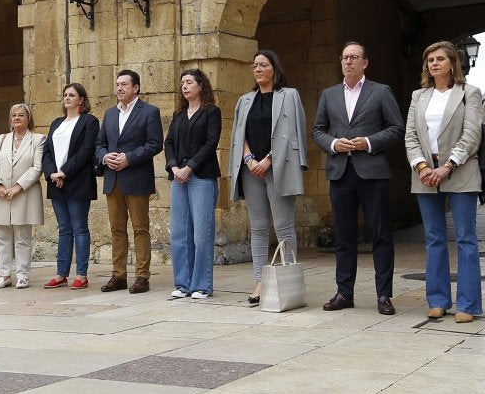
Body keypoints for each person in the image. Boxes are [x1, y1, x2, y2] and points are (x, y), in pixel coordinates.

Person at [312, 42, 403, 313]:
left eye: (354, 57)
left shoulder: (381, 91)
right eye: (345, 57)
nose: (349, 61)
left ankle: (384, 295)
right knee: (344, 236)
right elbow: (317, 130)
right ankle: (344, 293)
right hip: (340, 172)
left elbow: (396, 128)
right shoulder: (329, 94)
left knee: (380, 234)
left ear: (365, 63)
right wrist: (333, 144)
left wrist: (369, 142)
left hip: (372, 173)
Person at [405, 40, 485, 323]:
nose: (434, 64)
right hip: (425, 175)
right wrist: (423, 166)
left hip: (460, 171)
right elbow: (410, 136)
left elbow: (472, 134)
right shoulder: (418, 96)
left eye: (440, 59)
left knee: (465, 238)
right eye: (430, 60)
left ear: (453, 63)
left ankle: (468, 304)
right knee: (434, 238)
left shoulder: (469, 93)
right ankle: (437, 300)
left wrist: (448, 165)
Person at [229, 51, 308, 306]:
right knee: (258, 227)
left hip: (279, 166)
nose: (258, 69)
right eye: (255, 65)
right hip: (251, 169)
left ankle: (288, 280)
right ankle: (260, 281)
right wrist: (249, 159)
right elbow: (239, 135)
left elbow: (296, 132)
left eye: (263, 65)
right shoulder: (245, 100)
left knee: (283, 226)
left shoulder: (289, 95)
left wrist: (269, 160)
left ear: (274, 68)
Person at [96, 70, 164, 293]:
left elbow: (155, 144)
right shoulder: (109, 114)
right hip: (113, 178)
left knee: (140, 228)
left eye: (124, 84)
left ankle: (142, 276)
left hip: (136, 178)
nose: (119, 88)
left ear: (136, 88)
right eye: (117, 84)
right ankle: (119, 275)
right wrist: (104, 157)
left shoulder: (149, 112)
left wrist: (129, 158)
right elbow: (99, 144)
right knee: (117, 229)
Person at [164, 68, 222, 300]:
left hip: (201, 177)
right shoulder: (178, 115)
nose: (184, 86)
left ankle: (201, 285)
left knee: (201, 234)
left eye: (189, 82)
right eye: (182, 83)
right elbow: (169, 143)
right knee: (179, 233)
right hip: (178, 177)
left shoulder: (211, 112)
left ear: (201, 86)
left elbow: (211, 143)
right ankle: (183, 284)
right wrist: (174, 167)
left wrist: (190, 167)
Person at [42, 83, 99, 290]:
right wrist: (51, 173)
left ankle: (81, 274)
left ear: (81, 100)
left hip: (77, 180)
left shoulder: (89, 121)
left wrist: (64, 172)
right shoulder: (56, 123)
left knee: (79, 227)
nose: (67, 97)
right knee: (64, 229)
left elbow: (86, 150)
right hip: (56, 182)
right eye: (65, 94)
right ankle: (61, 274)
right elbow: (47, 152)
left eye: (72, 95)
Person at [0, 103, 45, 290]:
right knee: (2, 237)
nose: (17, 118)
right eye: (14, 115)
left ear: (28, 118)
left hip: (24, 194)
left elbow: (37, 167)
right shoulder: (1, 139)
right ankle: (4, 275)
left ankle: (23, 275)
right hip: (1, 194)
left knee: (22, 237)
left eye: (21, 115)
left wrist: (18, 187)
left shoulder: (38, 139)